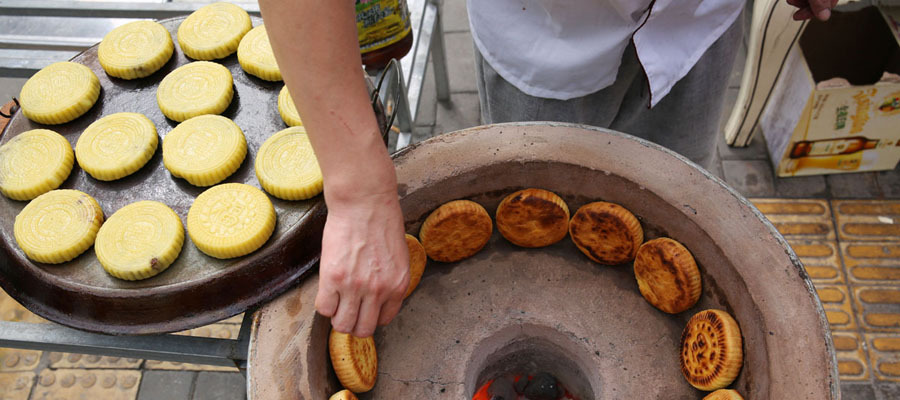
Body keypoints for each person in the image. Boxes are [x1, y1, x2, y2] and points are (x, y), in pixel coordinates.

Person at [259, 0, 838, 338]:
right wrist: (360, 194)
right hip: (546, 32)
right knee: (529, 227)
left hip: (700, 23)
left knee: (676, 213)